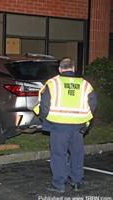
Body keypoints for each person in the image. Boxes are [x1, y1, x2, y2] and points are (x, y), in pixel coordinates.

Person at [33, 57, 97, 193]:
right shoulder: (86, 85)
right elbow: (93, 105)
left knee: (59, 155)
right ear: (73, 68)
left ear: (60, 69)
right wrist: (87, 124)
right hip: (78, 127)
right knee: (77, 154)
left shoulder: (52, 83)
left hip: (58, 126)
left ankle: (59, 184)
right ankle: (76, 182)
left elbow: (44, 106)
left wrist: (44, 118)